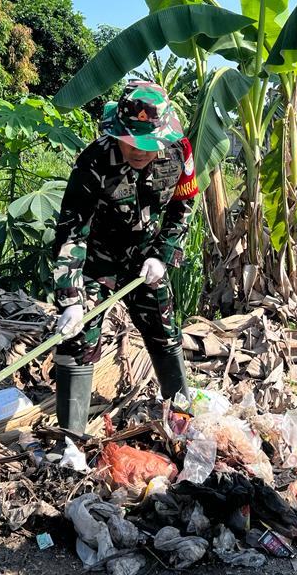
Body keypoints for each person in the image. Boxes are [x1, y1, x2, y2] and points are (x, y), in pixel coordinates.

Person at [51, 81, 199, 434]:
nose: (142, 152)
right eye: (133, 143)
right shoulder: (94, 161)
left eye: (151, 146)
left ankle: (182, 417)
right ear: (119, 133)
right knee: (78, 337)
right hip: (97, 259)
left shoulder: (180, 153)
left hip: (146, 257)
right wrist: (71, 300)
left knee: (164, 328)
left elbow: (183, 208)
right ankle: (71, 438)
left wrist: (162, 256)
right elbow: (72, 231)